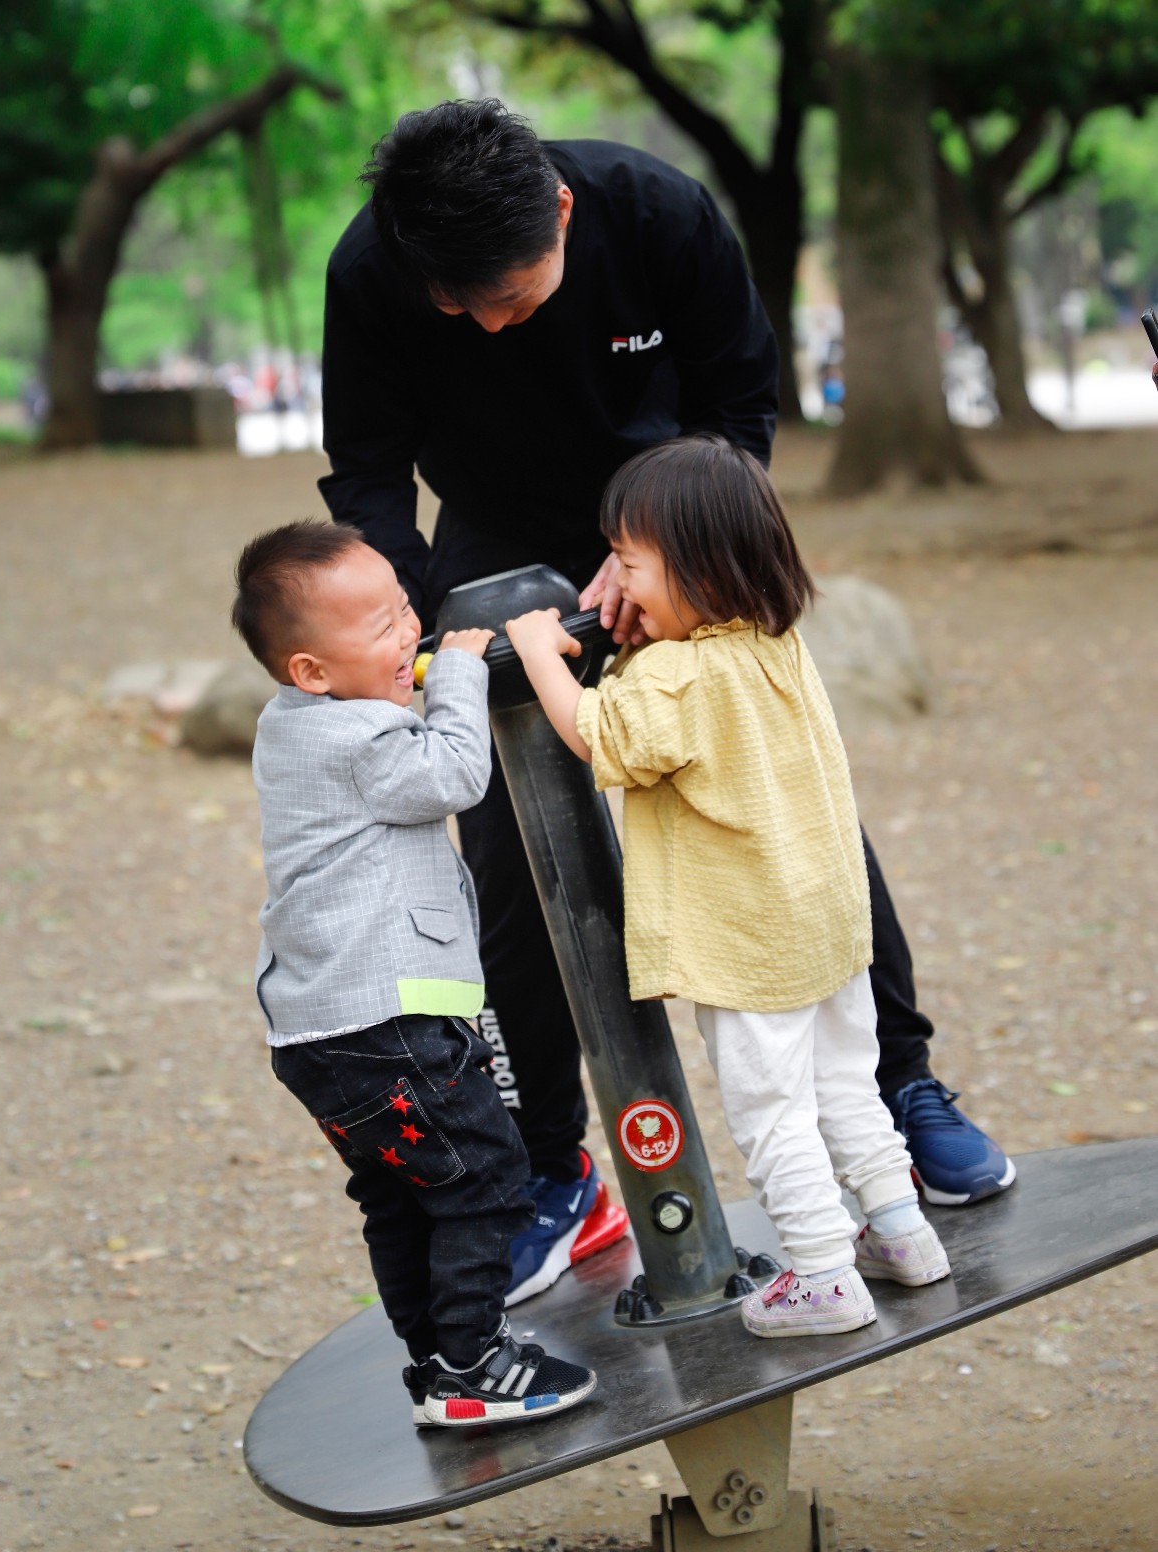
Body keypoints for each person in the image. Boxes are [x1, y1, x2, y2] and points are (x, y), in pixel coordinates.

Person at [319, 98, 1014, 1303]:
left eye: (516, 295)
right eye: (461, 305)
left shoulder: (657, 210)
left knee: (782, 798)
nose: (489, 320)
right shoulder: (373, 270)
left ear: (565, 213)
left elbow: (741, 405)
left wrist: (674, 565)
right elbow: (370, 471)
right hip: (493, 541)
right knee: (513, 860)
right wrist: (435, 625)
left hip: (677, 520)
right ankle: (552, 1162)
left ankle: (899, 1081)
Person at [505, 436, 953, 1336]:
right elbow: (675, 718)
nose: (617, 589)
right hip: (822, 924)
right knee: (844, 1081)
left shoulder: (678, 673)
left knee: (771, 1109)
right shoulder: (771, 642)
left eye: (629, 565)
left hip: (746, 940)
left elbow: (603, 736)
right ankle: (900, 1230)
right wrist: (637, 640)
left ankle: (824, 1276)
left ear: (699, 568)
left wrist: (537, 652)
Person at [234, 518, 597, 1428]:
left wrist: (411, 677)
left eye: (409, 613)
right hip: (387, 1023)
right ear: (309, 671)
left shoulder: (291, 729)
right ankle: (473, 1367)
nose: (410, 637)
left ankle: (435, 1361)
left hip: (323, 1031)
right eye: (382, 629)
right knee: (484, 1178)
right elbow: (454, 775)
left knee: (401, 1196)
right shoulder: (358, 737)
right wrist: (466, 667)